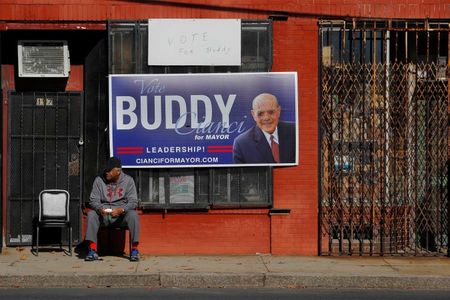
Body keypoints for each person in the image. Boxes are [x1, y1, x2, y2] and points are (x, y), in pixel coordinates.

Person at [84, 156, 140, 262]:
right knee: (91, 215)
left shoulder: (128, 181)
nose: (106, 173)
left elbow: (133, 202)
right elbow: (93, 200)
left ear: (118, 171)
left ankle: (135, 250)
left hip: (120, 217)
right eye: (106, 170)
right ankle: (92, 250)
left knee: (133, 215)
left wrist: (121, 209)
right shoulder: (99, 180)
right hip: (103, 215)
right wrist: (100, 209)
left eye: (109, 171)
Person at [233, 93, 296, 164]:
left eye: (271, 112)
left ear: (279, 111)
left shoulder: (295, 132)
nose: (266, 118)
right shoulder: (242, 144)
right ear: (253, 115)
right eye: (260, 113)